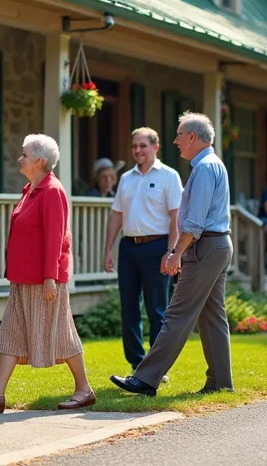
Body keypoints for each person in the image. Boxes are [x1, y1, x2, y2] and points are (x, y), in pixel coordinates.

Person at [0, 134, 95, 413]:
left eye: (25, 155)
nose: (19, 159)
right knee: (11, 332)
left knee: (59, 333)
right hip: (23, 277)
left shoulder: (52, 191)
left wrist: (50, 278)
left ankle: (84, 389)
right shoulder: (30, 190)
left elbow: (55, 238)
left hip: (44, 279)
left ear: (40, 161)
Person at [110, 112, 234, 397]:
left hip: (205, 247)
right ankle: (220, 382)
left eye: (179, 135)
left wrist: (176, 252)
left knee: (177, 314)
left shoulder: (204, 168)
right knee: (212, 316)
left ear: (192, 137)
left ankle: (145, 379)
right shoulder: (212, 164)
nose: (175, 141)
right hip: (216, 246)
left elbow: (194, 222)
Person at [102, 128, 182, 380]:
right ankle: (137, 364)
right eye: (134, 146)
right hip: (128, 247)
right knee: (129, 308)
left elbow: (175, 217)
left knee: (157, 309)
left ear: (155, 147)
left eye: (142, 146)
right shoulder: (126, 178)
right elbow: (116, 215)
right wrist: (108, 249)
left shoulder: (169, 176)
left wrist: (171, 251)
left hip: (157, 247)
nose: (137, 150)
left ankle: (157, 366)